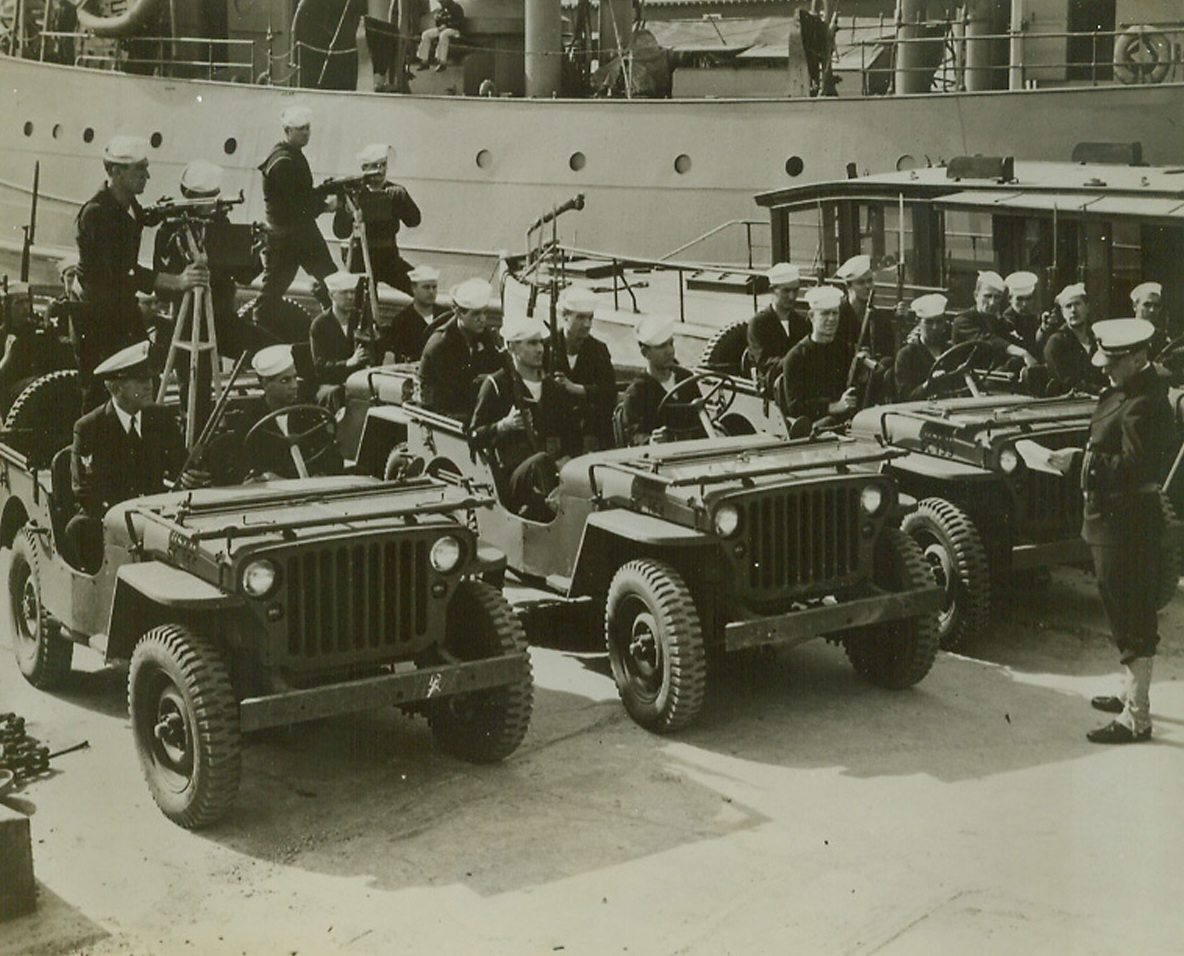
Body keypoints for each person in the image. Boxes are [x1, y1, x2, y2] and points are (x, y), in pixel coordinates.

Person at [1048, 319, 1176, 744]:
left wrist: (1079, 463)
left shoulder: (1143, 402)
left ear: (1138, 358)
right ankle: (1128, 692)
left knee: (1131, 612)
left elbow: (1136, 468)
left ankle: (1137, 717)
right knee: (1119, 602)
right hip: (1111, 520)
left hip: (1127, 523)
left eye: (1113, 361)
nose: (1104, 368)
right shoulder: (1127, 391)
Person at [75, 135, 209, 412]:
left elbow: (141, 219)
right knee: (102, 390)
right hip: (98, 317)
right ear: (115, 172)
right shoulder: (96, 214)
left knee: (144, 376)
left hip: (122, 310)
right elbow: (125, 271)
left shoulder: (128, 205)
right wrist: (178, 281)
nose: (147, 175)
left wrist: (169, 211)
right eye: (139, 169)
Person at [66, 341, 205, 572]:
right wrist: (127, 519)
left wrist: (188, 479)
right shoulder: (89, 428)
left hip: (156, 513)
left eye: (150, 378)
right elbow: (85, 491)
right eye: (140, 380)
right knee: (80, 528)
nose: (150, 385)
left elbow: (180, 467)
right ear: (115, 388)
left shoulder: (160, 418)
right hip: (112, 516)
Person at [470, 313, 585, 520]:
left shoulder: (554, 390)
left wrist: (566, 460)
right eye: (532, 343)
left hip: (556, 474)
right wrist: (503, 426)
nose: (540, 349)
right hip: (513, 480)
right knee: (541, 461)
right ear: (512, 347)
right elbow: (474, 436)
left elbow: (574, 436)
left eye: (540, 342)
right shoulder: (497, 386)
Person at [257, 105, 338, 313]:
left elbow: (302, 194)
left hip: (300, 233)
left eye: (308, 128)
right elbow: (297, 204)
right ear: (287, 131)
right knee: (270, 296)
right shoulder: (282, 161)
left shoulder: (292, 154)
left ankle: (329, 313)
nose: (305, 133)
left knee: (333, 281)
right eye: (300, 129)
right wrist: (326, 206)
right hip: (285, 239)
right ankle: (256, 329)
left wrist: (324, 189)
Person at [234, 344, 345, 481]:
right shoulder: (251, 420)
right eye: (285, 381)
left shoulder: (308, 413)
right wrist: (266, 478)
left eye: (294, 377)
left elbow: (332, 456)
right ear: (265, 384)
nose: (294, 385)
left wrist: (321, 475)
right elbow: (243, 466)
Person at [331, 143, 422, 296]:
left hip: (388, 258)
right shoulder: (353, 193)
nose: (379, 170)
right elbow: (340, 232)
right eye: (374, 166)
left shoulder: (395, 192)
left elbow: (414, 221)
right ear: (364, 169)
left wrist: (402, 200)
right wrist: (347, 212)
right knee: (363, 308)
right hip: (360, 259)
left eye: (383, 165)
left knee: (421, 289)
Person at [418, 277, 503, 419]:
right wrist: (488, 381)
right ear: (457, 312)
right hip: (443, 412)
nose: (482, 319)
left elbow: (497, 365)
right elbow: (455, 393)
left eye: (484, 312)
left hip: (471, 404)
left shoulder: (483, 334)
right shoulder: (441, 344)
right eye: (476, 313)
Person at [777, 285, 858, 431]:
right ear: (811, 316)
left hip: (848, 423)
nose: (832, 319)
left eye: (835, 313)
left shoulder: (846, 350)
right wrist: (831, 407)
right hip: (814, 428)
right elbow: (794, 407)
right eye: (825, 314)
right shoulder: (796, 357)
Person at [546, 286, 616, 452]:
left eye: (590, 318)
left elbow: (609, 391)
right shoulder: (546, 348)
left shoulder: (599, 350)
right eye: (580, 318)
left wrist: (576, 389)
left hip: (591, 432)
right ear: (565, 316)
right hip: (557, 434)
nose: (587, 324)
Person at [618, 314, 705, 446]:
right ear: (644, 352)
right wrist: (651, 440)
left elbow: (701, 420)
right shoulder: (637, 392)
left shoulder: (686, 378)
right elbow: (634, 435)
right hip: (661, 460)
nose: (670, 351)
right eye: (662, 346)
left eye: (671, 344)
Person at [951, 270, 1039, 371]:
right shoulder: (963, 320)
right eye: (987, 296)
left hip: (992, 377)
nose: (992, 302)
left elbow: (1013, 341)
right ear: (976, 296)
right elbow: (988, 340)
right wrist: (1023, 353)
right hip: (966, 380)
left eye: (997, 297)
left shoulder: (997, 321)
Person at [746, 262, 809, 393]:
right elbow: (764, 362)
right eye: (786, 291)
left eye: (795, 290)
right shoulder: (758, 323)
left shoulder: (801, 322)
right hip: (772, 385)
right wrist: (797, 361)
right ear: (772, 290)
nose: (792, 296)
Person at [376, 264, 448, 363]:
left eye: (434, 287)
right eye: (426, 287)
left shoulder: (445, 316)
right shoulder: (402, 321)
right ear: (414, 288)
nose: (431, 292)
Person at [1044, 283, 1107, 394]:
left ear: (1087, 307)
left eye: (1077, 304)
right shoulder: (1056, 342)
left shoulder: (1097, 338)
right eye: (1068, 306)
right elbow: (1068, 382)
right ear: (1063, 313)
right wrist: (1099, 390)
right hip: (1070, 404)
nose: (1073, 310)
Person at [893, 293, 951, 401]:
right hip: (918, 413)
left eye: (939, 321)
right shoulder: (907, 355)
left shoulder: (952, 351)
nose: (935, 327)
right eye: (928, 322)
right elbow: (904, 397)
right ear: (918, 322)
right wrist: (928, 384)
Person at [414, 0, 465, 72]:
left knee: (443, 35)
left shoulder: (456, 8)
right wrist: (438, 20)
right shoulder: (442, 9)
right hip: (443, 29)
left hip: (455, 30)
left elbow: (460, 23)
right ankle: (424, 60)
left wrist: (447, 25)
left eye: (442, 1)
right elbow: (438, 21)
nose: (441, 3)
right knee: (426, 34)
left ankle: (442, 62)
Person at [1002, 270, 1043, 357]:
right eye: (1019, 299)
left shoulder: (1032, 318)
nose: (1024, 304)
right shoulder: (1006, 320)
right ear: (1010, 299)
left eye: (1028, 299)